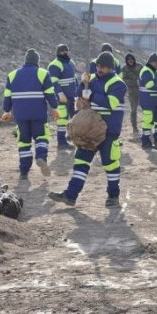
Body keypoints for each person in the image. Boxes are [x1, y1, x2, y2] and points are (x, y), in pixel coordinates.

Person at [48, 51, 127, 207]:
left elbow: (110, 103)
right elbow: (80, 95)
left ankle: (113, 196)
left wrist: (90, 95)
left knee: (110, 163)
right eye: (98, 65)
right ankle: (70, 195)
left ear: (111, 68)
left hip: (108, 130)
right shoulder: (92, 80)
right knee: (80, 162)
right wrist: (82, 83)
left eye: (103, 66)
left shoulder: (118, 84)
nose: (99, 68)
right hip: (89, 129)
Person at [3, 49, 60, 179]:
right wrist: (55, 107)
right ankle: (40, 157)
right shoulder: (43, 73)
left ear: (25, 60)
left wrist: (6, 110)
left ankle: (24, 171)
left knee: (24, 142)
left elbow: (7, 96)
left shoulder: (12, 75)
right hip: (38, 114)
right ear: (37, 61)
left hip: (20, 115)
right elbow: (50, 93)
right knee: (41, 137)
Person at [47, 44, 78, 149]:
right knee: (62, 120)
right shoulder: (54, 65)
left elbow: (75, 79)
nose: (65, 53)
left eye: (66, 51)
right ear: (58, 52)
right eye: (62, 51)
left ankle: (73, 138)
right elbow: (53, 82)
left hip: (72, 96)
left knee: (74, 118)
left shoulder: (71, 63)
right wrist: (60, 94)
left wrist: (78, 92)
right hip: (62, 98)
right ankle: (61, 142)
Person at [139, 53, 157, 148]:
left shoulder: (154, 71)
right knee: (148, 121)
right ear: (152, 62)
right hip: (147, 101)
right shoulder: (146, 71)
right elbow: (149, 85)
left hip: (155, 101)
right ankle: (145, 141)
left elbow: (155, 86)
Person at [121, 53, 142, 134]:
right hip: (131, 90)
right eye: (128, 59)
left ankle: (148, 127)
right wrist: (132, 81)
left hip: (142, 90)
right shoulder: (124, 68)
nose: (130, 60)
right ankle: (134, 127)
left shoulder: (139, 66)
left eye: (131, 58)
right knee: (133, 110)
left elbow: (144, 75)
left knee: (147, 109)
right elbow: (124, 80)